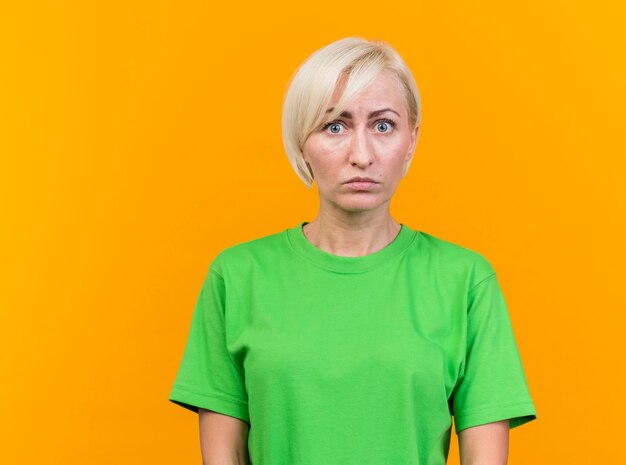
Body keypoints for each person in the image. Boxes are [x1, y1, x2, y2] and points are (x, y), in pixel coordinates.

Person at [168, 37, 536, 465]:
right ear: (301, 140)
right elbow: (223, 455)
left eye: (383, 126)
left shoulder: (466, 280)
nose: (361, 155)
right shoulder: (236, 276)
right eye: (335, 126)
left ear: (411, 139)